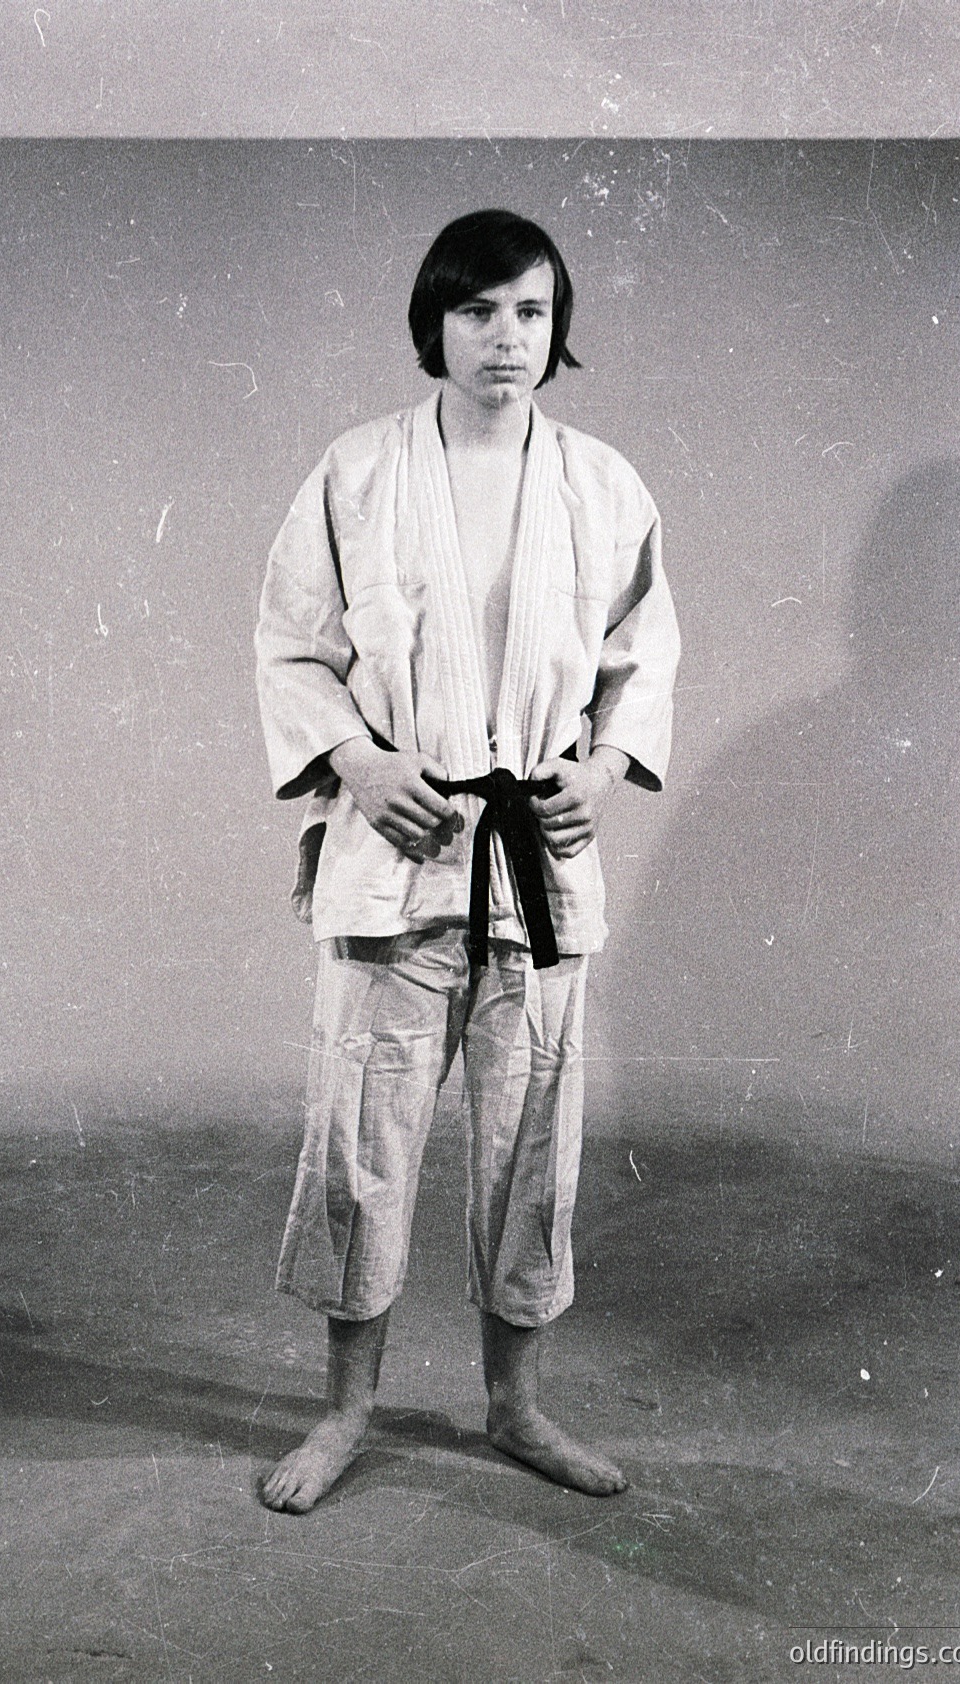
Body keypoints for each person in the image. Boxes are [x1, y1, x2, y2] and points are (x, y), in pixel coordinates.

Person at [255, 208, 680, 1513]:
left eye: (532, 312)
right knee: (363, 1138)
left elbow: (641, 661)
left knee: (532, 1141)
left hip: (537, 871)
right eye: (480, 309)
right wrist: (361, 764)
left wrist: (601, 774)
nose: (507, 337)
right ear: (433, 322)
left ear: (559, 331)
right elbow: (289, 646)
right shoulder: (359, 472)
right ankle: (343, 1414)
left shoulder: (604, 486)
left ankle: (516, 1406)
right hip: (396, 850)